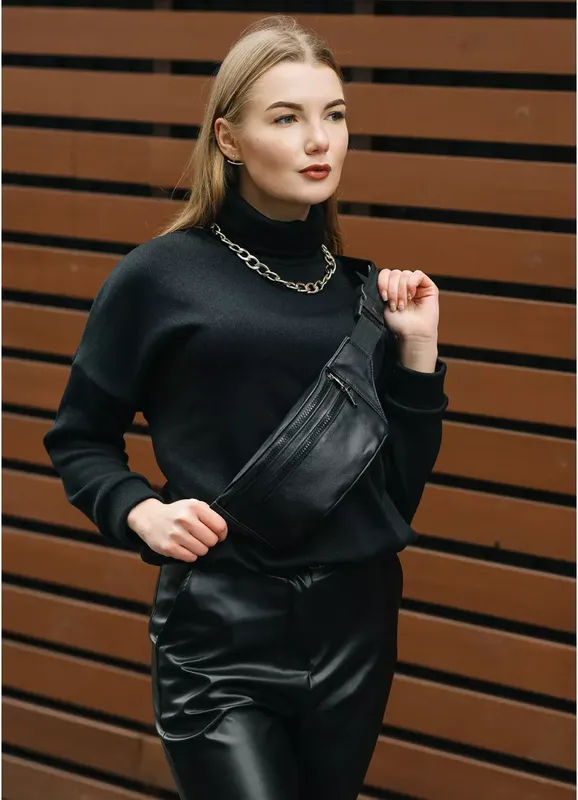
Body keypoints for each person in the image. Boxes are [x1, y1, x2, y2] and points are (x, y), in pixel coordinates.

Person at [43, 15, 448, 800]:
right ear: (228, 138)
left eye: (334, 115)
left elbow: (396, 495)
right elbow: (79, 438)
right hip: (220, 633)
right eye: (286, 118)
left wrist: (418, 354)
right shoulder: (161, 278)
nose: (319, 140)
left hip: (356, 629)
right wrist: (139, 511)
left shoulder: (363, 299)